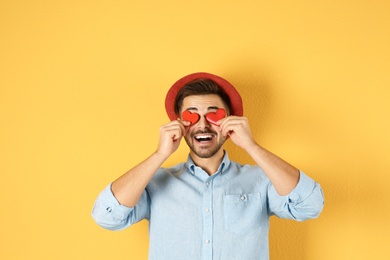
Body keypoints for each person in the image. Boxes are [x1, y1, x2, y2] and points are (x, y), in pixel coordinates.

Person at [92, 72, 324, 260]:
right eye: (192, 117)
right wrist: (159, 154)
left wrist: (252, 146)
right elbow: (106, 216)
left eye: (214, 115)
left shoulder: (262, 181)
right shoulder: (154, 183)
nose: (203, 125)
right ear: (180, 124)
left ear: (230, 121)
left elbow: (310, 205)